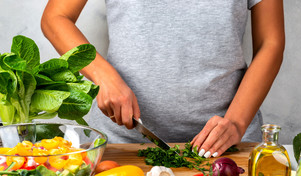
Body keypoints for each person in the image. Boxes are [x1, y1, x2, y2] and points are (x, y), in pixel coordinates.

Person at [41, 0, 285, 158]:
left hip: (227, 147)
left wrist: (236, 123)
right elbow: (56, 17)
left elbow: (270, 43)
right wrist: (103, 76)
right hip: (120, 144)